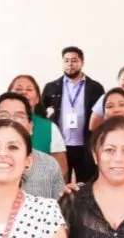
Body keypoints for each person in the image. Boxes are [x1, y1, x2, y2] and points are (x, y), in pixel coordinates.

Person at [0, 92, 66, 199]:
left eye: (19, 117)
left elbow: (60, 209)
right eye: (3, 116)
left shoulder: (49, 166)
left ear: (31, 127)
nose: (10, 122)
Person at [42, 46, 106, 183]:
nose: (70, 64)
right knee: (59, 182)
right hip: (59, 146)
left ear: (82, 63)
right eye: (66, 61)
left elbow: (101, 118)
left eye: (74, 60)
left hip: (85, 145)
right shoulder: (51, 87)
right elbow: (42, 115)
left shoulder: (96, 88)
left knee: (86, 184)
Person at [7, 74, 69, 177]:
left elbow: (62, 170)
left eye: (29, 89)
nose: (23, 92)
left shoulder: (50, 128)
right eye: (18, 89)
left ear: (37, 99)